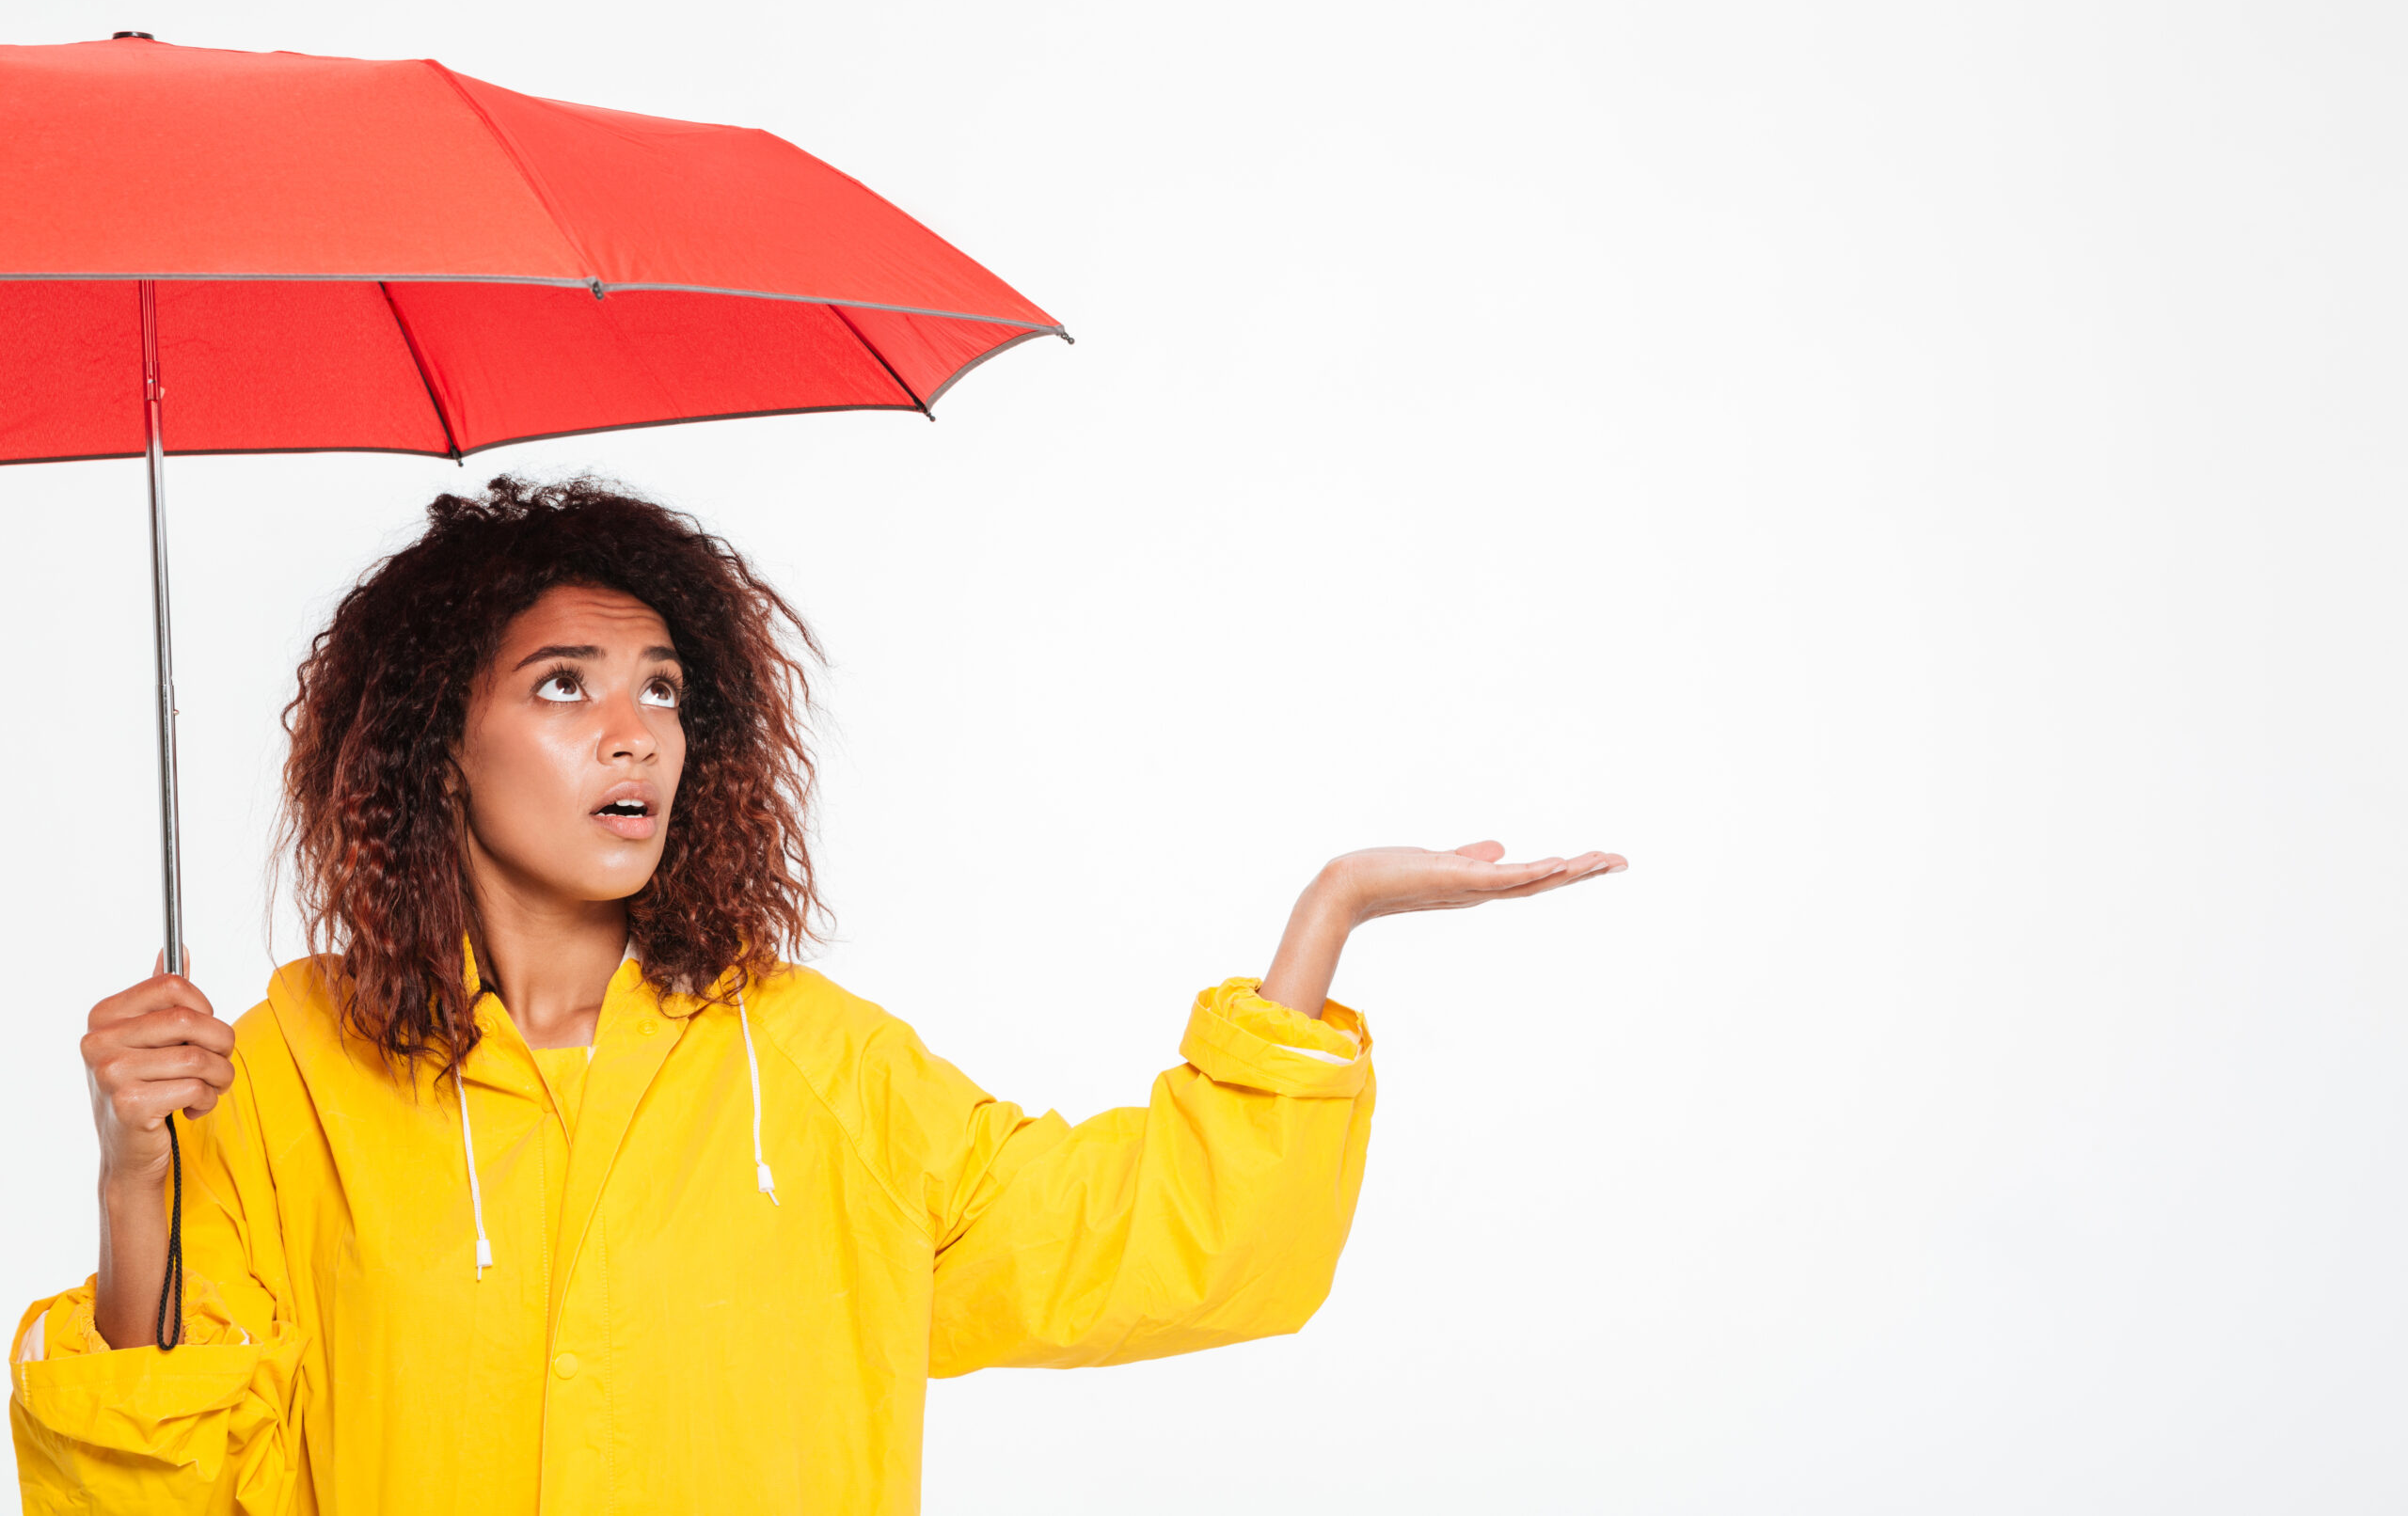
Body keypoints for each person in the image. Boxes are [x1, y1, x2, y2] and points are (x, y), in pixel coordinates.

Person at [9, 477, 1624, 1514]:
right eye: (565, 686)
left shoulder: (816, 1066)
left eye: (662, 689)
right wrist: (139, 1177)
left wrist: (1326, 921)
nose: (634, 732)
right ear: (437, 746)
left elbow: (1160, 1245)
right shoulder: (292, 1068)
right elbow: (157, 1493)